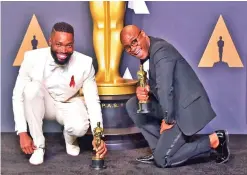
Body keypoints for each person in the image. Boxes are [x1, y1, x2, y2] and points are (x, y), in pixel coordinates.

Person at [120, 25, 230, 168]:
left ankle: (215, 140)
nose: (132, 49)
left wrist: (168, 119)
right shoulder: (148, 52)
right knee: (133, 105)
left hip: (186, 109)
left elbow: (166, 88)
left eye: (134, 42)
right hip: (173, 105)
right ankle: (159, 149)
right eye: (127, 47)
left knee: (163, 160)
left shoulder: (160, 50)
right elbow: (161, 84)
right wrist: (147, 89)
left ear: (143, 34)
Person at [12, 22, 107, 165]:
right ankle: (39, 147)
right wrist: (22, 132)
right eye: (58, 44)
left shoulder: (85, 63)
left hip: (69, 102)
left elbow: (93, 101)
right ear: (50, 42)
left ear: (73, 44)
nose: (64, 50)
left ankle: (70, 139)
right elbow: (18, 96)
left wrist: (97, 134)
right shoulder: (31, 59)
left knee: (80, 127)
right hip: (45, 104)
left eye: (69, 45)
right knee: (31, 89)